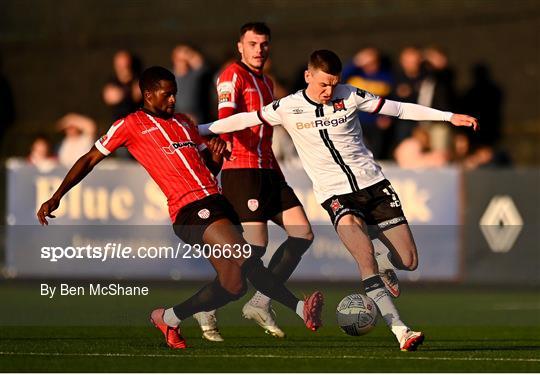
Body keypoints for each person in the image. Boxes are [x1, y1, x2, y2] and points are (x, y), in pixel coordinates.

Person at [199, 50, 479, 351]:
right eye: (322, 84)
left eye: (333, 84)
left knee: (408, 261)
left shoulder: (351, 95)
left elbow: (397, 109)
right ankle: (401, 330)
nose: (328, 92)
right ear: (308, 76)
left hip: (375, 187)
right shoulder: (288, 106)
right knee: (364, 261)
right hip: (336, 196)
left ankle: (386, 261)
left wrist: (449, 117)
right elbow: (243, 119)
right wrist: (195, 131)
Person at [36, 66, 323, 349]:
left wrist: (215, 157)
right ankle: (300, 309)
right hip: (189, 210)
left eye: (175, 94)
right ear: (147, 95)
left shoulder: (185, 122)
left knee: (233, 285)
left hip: (216, 200)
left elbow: (206, 167)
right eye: (167, 95)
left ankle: (169, 318)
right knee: (243, 254)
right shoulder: (130, 124)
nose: (173, 100)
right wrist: (58, 194)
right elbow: (89, 158)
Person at [193, 22, 314, 341]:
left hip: (269, 170)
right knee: (254, 248)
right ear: (240, 46)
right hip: (242, 170)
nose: (259, 49)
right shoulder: (232, 75)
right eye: (252, 43)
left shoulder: (266, 82)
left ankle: (260, 302)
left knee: (302, 233)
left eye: (264, 44)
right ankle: (210, 304)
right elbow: (226, 117)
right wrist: (225, 140)